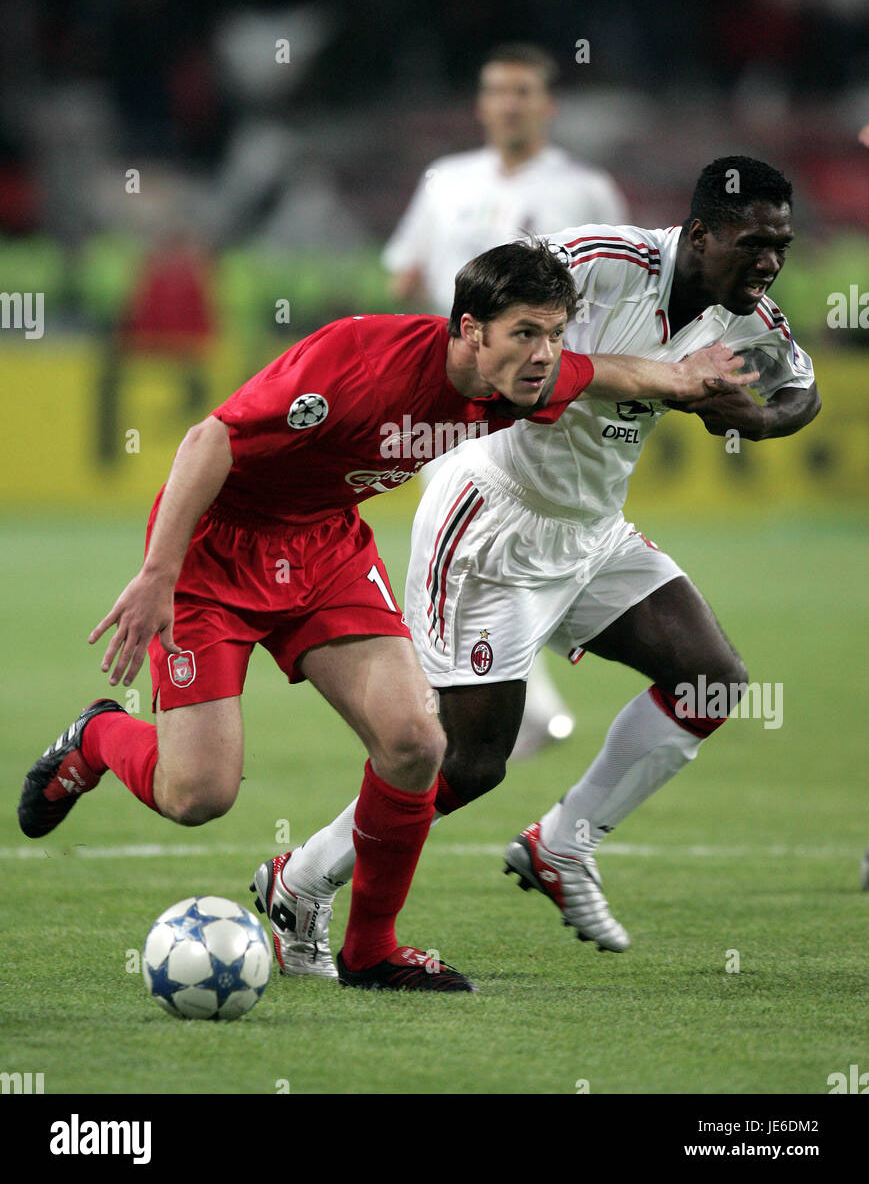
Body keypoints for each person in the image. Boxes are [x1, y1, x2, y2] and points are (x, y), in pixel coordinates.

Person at [17, 239, 753, 992]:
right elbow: (209, 440)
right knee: (197, 796)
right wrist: (157, 575)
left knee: (414, 744)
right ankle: (99, 737)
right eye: (527, 334)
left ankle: (369, 949)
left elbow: (603, 372)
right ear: (470, 330)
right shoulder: (357, 364)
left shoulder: (523, 374)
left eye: (555, 334)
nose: (546, 355)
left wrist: (683, 380)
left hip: (325, 547)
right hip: (215, 557)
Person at [273, 155, 820, 966]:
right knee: (469, 761)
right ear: (700, 234)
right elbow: (492, 298)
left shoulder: (749, 316)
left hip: (593, 530)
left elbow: (801, 388)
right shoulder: (603, 260)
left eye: (781, 243)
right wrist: (649, 382)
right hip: (493, 519)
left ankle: (562, 843)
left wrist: (759, 418)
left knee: (710, 679)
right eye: (752, 243)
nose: (769, 262)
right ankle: (300, 881)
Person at [384, 41, 629, 757]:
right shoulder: (444, 182)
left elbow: (618, 292)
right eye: (497, 90)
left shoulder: (585, 189)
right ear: (481, 103)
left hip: (535, 391)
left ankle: (495, 701)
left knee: (510, 546)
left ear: (546, 105)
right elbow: (403, 275)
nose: (509, 103)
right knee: (459, 547)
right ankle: (501, 703)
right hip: (451, 389)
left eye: (523, 91)